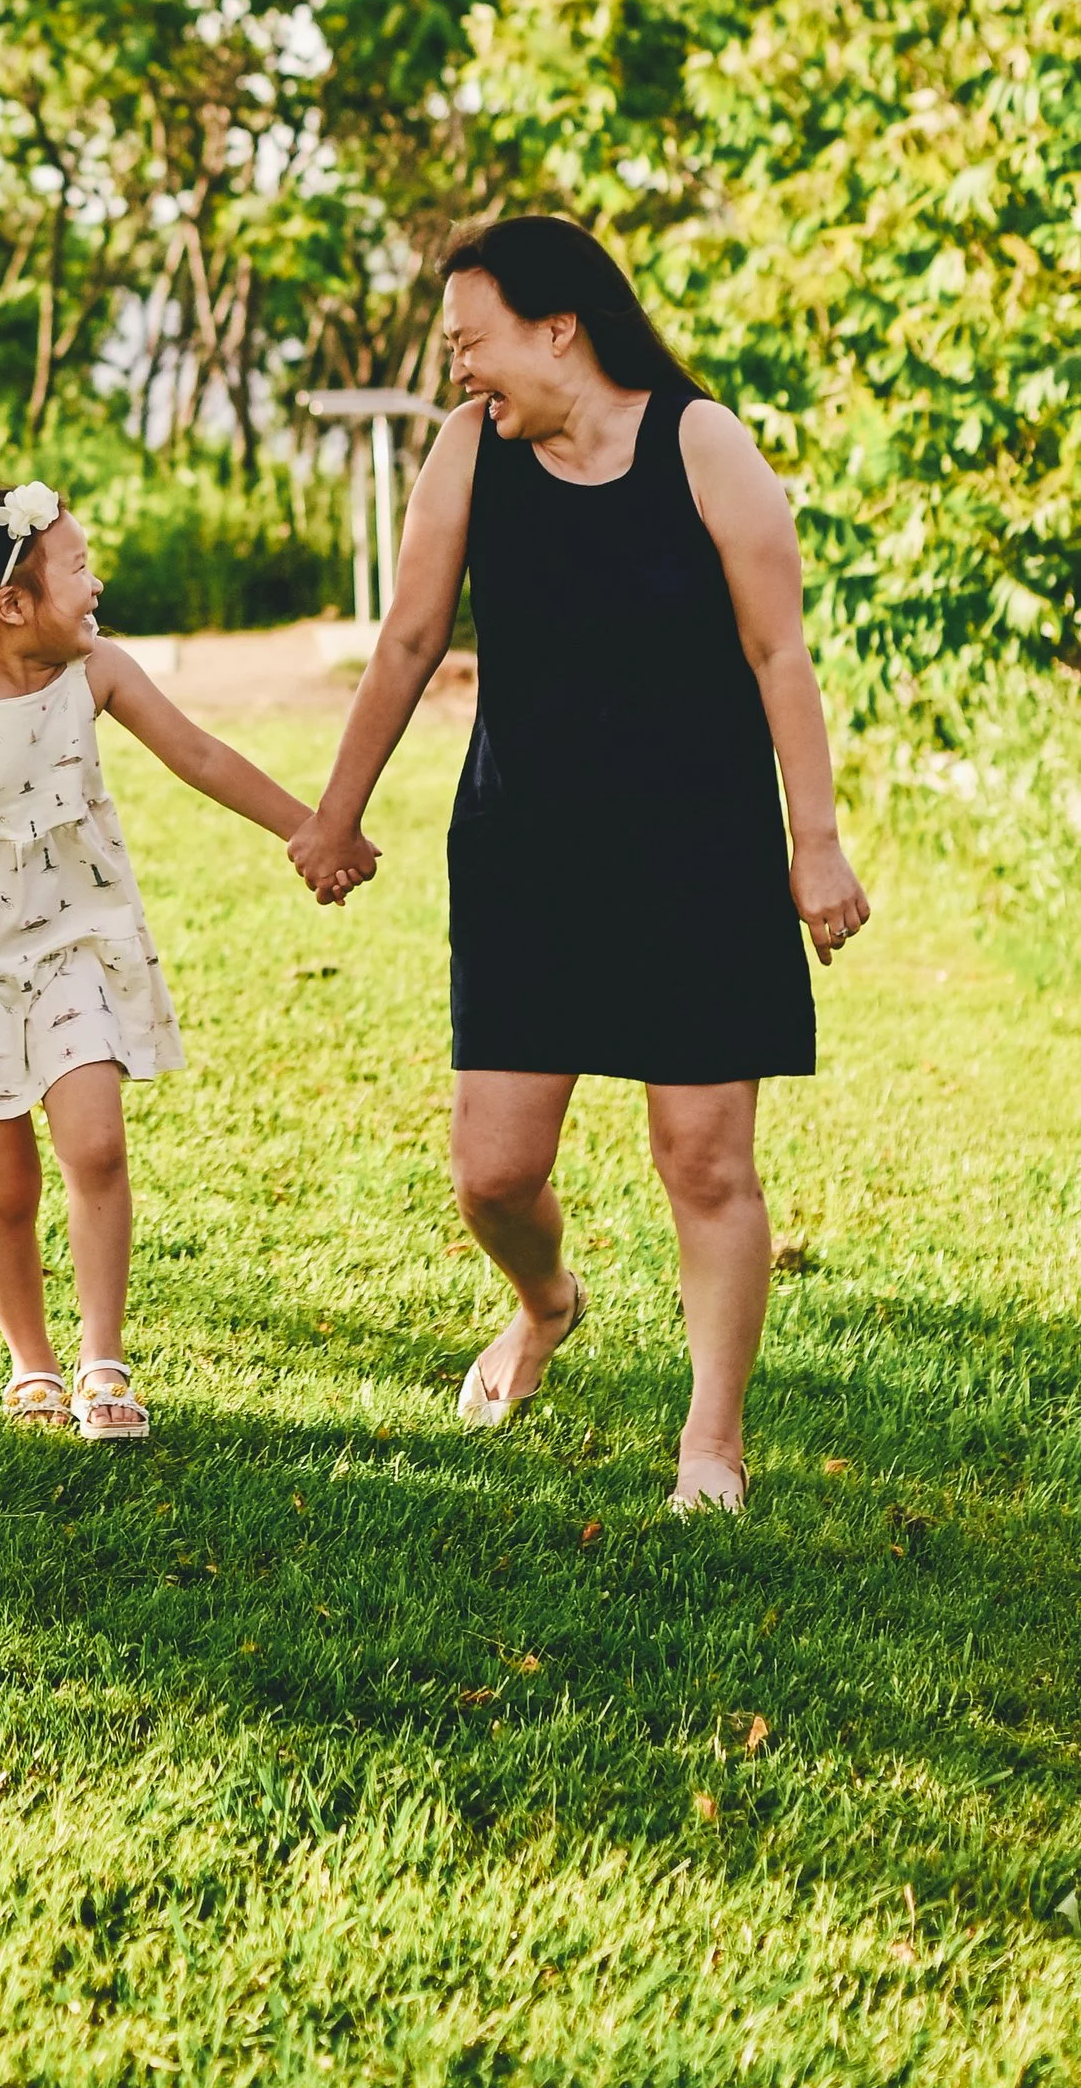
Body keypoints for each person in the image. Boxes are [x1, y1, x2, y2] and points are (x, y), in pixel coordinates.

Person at [287, 217, 870, 1515]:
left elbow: (781, 654)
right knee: (492, 1168)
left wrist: (813, 843)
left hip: (699, 848)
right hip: (527, 848)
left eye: (473, 343)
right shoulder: (466, 457)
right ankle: (546, 1302)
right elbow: (407, 640)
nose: (460, 373)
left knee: (704, 1154)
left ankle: (710, 1441)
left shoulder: (700, 443)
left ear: (561, 327)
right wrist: (337, 813)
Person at [0, 482, 370, 1440]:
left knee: (96, 1143)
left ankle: (102, 1361)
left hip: (75, 946)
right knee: (5, 1181)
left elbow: (202, 757)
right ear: (14, 604)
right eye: (80, 568)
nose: (98, 585)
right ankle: (32, 1364)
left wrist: (313, 829)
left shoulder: (97, 674)